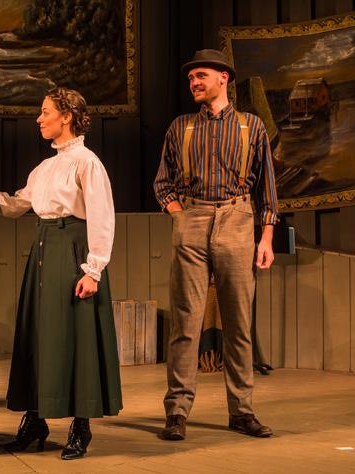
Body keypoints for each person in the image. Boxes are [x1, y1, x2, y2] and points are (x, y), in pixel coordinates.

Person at [0, 87, 122, 460]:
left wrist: (93, 270)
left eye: (45, 112)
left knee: (76, 336)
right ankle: (35, 420)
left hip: (73, 252)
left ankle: (81, 426)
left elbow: (102, 217)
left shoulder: (87, 162)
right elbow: (15, 205)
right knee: (39, 335)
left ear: (67, 116)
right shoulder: (44, 168)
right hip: (44, 250)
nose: (39, 119)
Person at [153, 49, 279, 441]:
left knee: (238, 324)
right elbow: (162, 183)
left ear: (223, 77)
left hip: (237, 219)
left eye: (201, 76)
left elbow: (267, 188)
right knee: (185, 323)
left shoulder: (251, 127)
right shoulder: (181, 127)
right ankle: (177, 411)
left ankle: (242, 411)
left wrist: (266, 237)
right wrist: (180, 215)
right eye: (191, 78)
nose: (194, 82)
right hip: (192, 218)